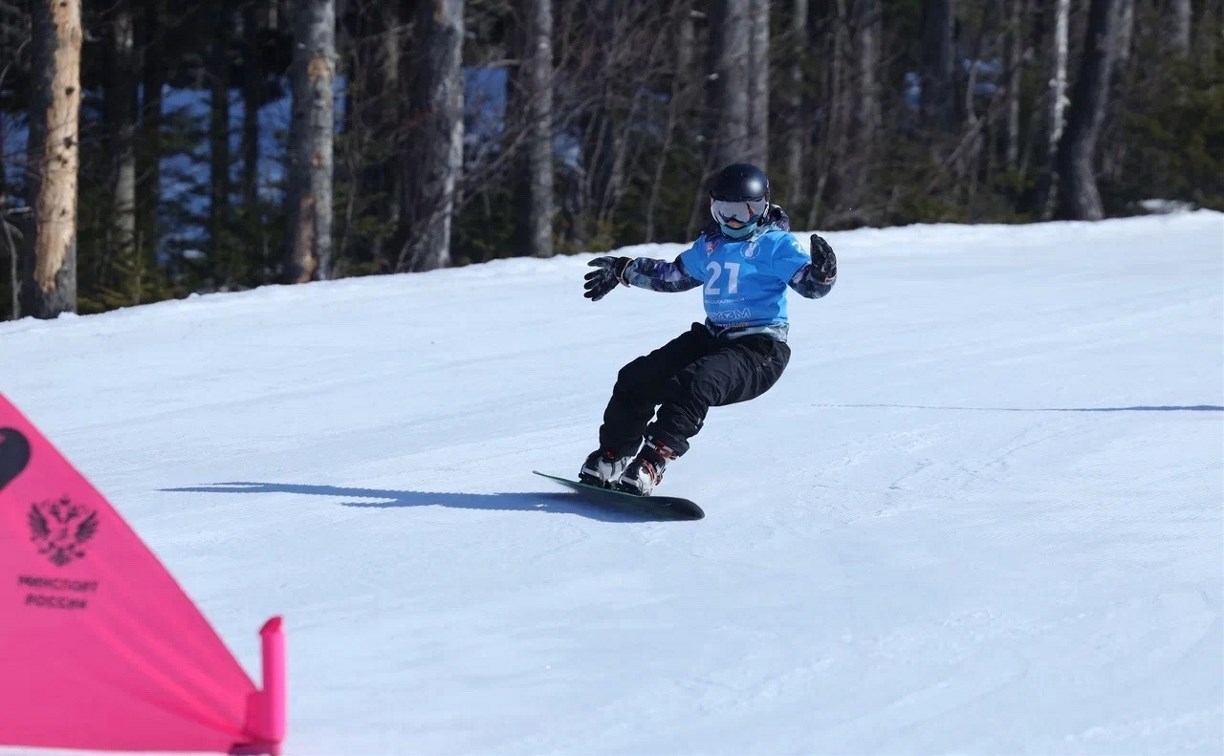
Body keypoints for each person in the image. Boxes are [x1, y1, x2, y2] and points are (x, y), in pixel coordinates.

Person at [578, 162, 838, 495]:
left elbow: (810, 286)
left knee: (697, 382)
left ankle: (652, 461)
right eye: (723, 211)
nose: (732, 221)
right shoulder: (711, 245)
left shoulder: (776, 245)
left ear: (762, 209)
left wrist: (823, 274)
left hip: (759, 348)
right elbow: (674, 275)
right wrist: (625, 270)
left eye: (744, 212)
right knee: (637, 376)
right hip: (713, 337)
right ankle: (614, 454)